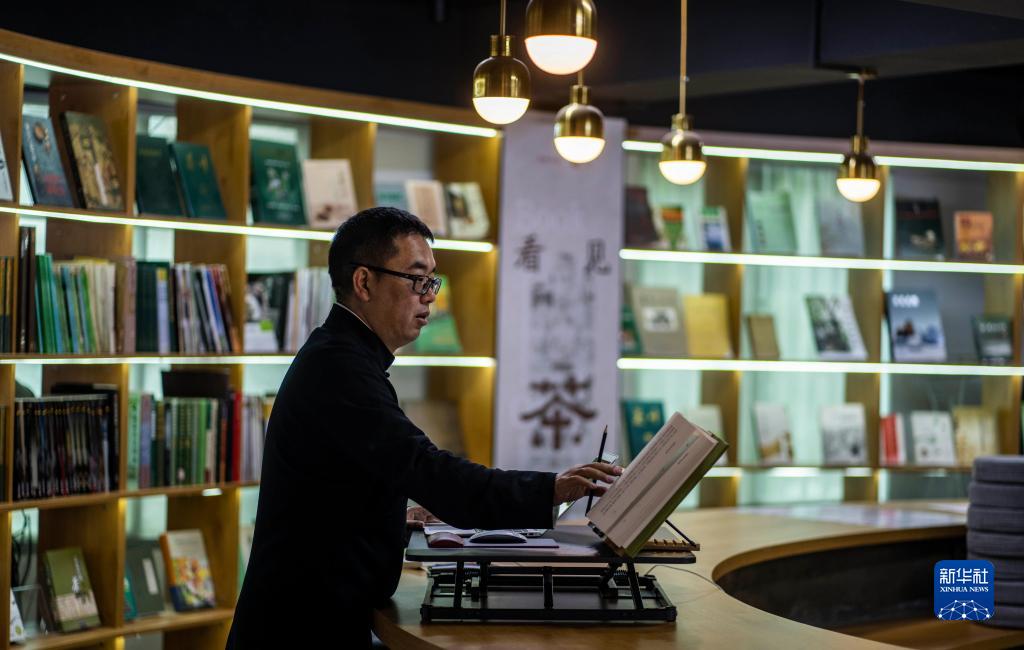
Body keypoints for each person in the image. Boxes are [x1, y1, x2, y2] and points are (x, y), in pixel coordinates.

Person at [227, 207, 620, 648]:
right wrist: (551, 489)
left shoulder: (342, 357)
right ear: (364, 282)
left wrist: (394, 516)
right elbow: (428, 469)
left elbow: (341, 493)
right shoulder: (339, 370)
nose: (429, 296)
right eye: (417, 279)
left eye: (433, 281)